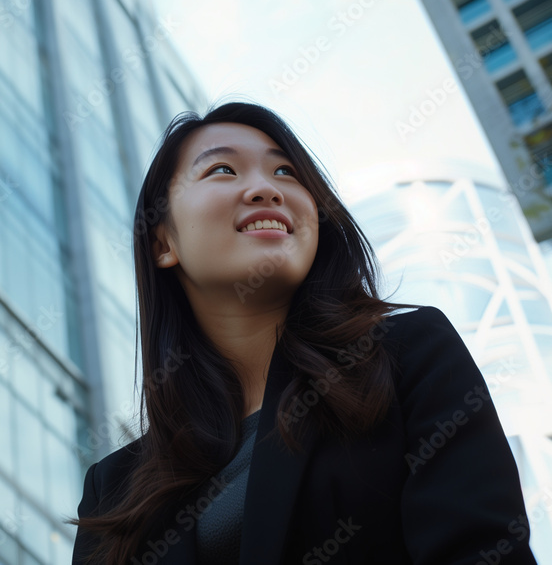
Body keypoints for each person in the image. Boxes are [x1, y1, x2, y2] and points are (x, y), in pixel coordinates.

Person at [67, 101, 536, 564]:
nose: (266, 189)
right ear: (163, 242)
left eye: (286, 173)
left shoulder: (408, 356)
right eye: (224, 170)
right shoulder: (113, 490)